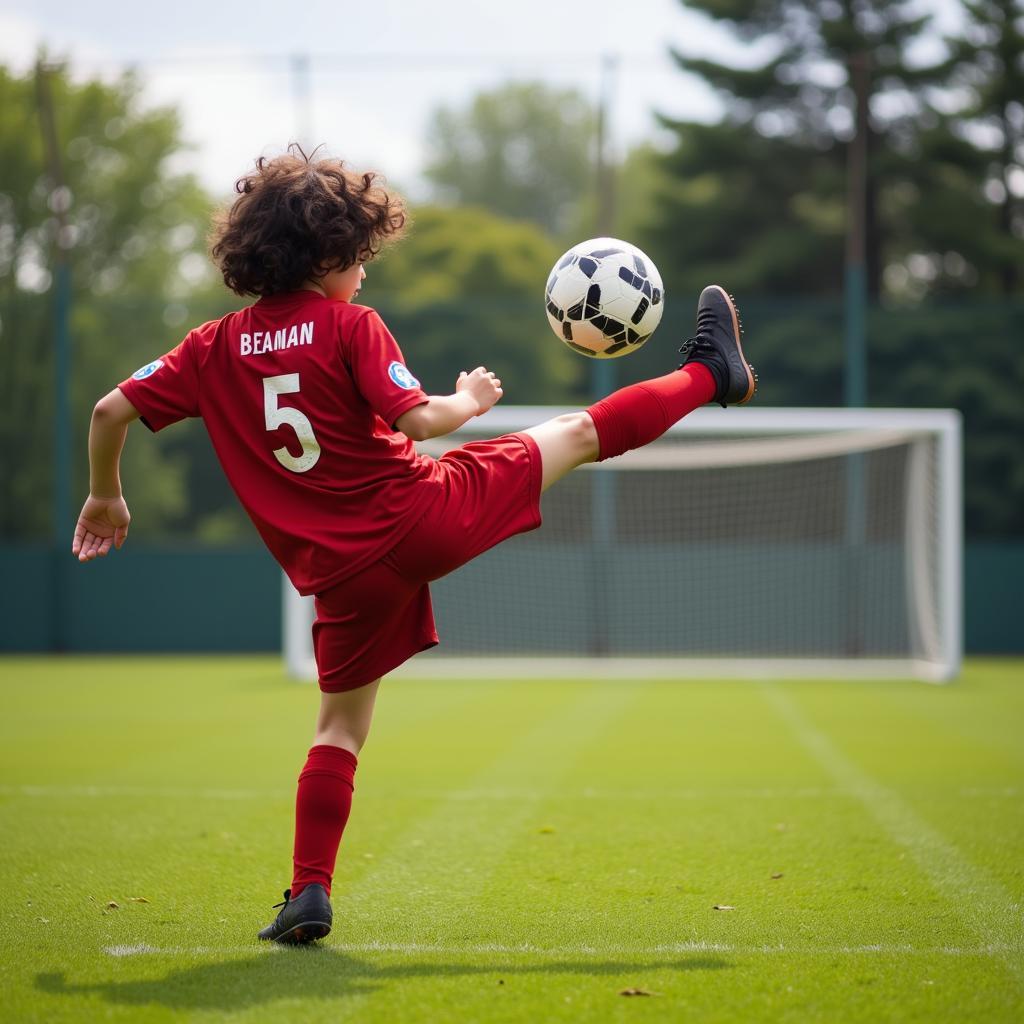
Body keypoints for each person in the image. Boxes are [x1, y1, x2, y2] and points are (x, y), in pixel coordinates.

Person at [72, 145, 756, 946]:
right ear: (326, 254)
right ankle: (714, 374)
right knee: (574, 432)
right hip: (419, 515)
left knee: (338, 730)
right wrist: (466, 400)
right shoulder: (350, 325)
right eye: (359, 258)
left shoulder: (209, 348)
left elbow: (107, 412)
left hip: (338, 577)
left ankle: (308, 892)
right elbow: (419, 422)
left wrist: (106, 494)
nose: (364, 274)